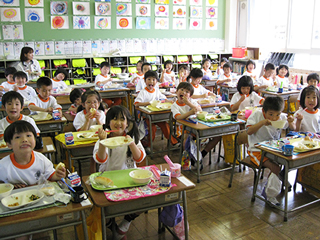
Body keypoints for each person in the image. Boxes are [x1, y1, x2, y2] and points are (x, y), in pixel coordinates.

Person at [93, 105, 146, 240]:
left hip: (129, 179)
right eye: (114, 119)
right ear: (108, 122)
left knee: (145, 202)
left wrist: (131, 143)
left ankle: (125, 223)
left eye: (122, 119)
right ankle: (112, 226)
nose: (118, 123)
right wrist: (102, 142)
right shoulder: (103, 138)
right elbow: (100, 159)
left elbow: (139, 158)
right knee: (100, 211)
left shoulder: (132, 137)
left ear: (127, 123)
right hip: (107, 180)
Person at [246, 96, 291, 204]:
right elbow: (248, 131)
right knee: (275, 167)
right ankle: (269, 195)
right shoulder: (256, 115)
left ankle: (274, 184)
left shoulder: (280, 116)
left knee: (287, 161)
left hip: (273, 149)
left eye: (277, 115)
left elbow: (293, 127)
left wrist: (293, 121)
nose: (274, 118)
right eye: (270, 114)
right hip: (256, 151)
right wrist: (262, 123)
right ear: (264, 111)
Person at [134, 70, 177, 148]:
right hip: (147, 116)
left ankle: (174, 142)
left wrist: (170, 101)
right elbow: (136, 104)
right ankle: (149, 146)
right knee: (152, 129)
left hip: (157, 114)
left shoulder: (157, 91)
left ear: (156, 81)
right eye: (149, 79)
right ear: (145, 81)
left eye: (154, 80)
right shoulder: (143, 92)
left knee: (165, 125)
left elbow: (164, 99)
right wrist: (149, 103)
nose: (151, 81)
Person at [171, 82, 202, 165]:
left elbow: (200, 111)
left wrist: (189, 103)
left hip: (194, 125)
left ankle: (196, 156)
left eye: (187, 92)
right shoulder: (174, 105)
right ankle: (187, 158)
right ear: (176, 91)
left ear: (190, 96)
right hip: (181, 127)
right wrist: (190, 113)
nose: (184, 93)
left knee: (200, 136)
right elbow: (178, 117)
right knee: (186, 137)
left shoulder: (191, 101)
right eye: (181, 90)